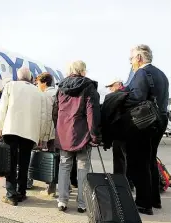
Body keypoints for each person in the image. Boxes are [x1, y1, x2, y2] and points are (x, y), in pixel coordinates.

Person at [124, 44, 169, 215]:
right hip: (160, 120)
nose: (131, 62)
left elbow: (137, 98)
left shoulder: (142, 73)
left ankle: (144, 203)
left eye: (131, 59)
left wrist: (122, 97)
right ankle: (154, 199)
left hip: (145, 122)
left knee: (140, 161)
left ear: (139, 58)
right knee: (150, 159)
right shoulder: (162, 74)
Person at [53, 60, 101, 213]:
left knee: (64, 165)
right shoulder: (89, 87)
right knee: (82, 168)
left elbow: (55, 111)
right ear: (83, 70)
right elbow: (92, 113)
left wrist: (59, 128)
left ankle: (62, 200)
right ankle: (82, 203)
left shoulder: (61, 87)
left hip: (64, 133)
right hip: (83, 135)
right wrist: (95, 136)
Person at [0, 67, 47, 206]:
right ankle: (22, 192)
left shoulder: (10, 86)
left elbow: (2, 108)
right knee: (24, 163)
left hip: (11, 129)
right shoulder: (38, 92)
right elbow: (43, 116)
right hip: (30, 132)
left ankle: (11, 194)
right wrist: (41, 135)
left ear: (18, 77)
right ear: (30, 78)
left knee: (10, 162)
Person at [104, 79, 134, 191]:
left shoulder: (112, 97)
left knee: (119, 160)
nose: (110, 89)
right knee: (129, 158)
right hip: (131, 132)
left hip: (119, 133)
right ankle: (129, 183)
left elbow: (107, 117)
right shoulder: (131, 94)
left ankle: (119, 184)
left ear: (119, 85)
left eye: (111, 86)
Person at [35, 72, 57, 196]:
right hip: (60, 132)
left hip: (51, 133)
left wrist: (43, 136)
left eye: (38, 83)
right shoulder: (58, 92)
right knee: (60, 159)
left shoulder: (46, 95)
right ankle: (66, 185)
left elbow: (46, 117)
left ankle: (51, 188)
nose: (37, 85)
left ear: (44, 83)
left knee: (51, 159)